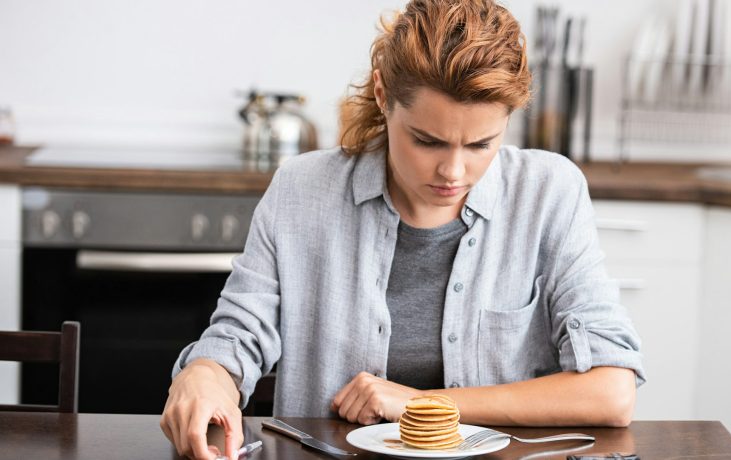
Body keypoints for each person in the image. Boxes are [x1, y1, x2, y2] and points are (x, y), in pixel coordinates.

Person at [160, 1, 644, 458]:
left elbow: (611, 392)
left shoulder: (549, 192)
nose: (453, 171)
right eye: (427, 140)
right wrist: (206, 376)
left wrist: (419, 403)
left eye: (481, 144)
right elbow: (238, 338)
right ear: (381, 95)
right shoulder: (302, 190)